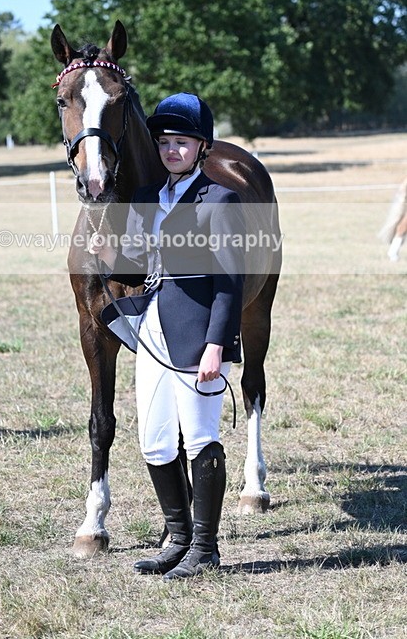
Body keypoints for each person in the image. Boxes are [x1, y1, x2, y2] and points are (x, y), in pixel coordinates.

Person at [89, 92, 244, 580]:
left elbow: (230, 282)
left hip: (197, 335)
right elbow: (140, 264)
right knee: (155, 440)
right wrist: (108, 252)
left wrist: (217, 344)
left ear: (202, 148)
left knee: (199, 437)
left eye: (181, 142)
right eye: (164, 142)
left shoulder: (221, 200)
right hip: (151, 332)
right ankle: (176, 538)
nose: (171, 150)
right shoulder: (150, 198)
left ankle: (205, 547)